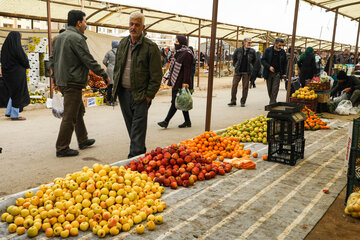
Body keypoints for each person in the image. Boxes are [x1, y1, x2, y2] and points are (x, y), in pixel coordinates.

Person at [49, 10, 110, 157]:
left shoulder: (58, 38)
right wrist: (103, 74)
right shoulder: (77, 38)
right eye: (85, 21)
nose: (86, 25)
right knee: (70, 115)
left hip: (64, 81)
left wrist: (55, 79)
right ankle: (62, 148)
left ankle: (83, 140)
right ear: (78, 23)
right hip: (73, 82)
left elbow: (51, 60)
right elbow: (88, 59)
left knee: (78, 111)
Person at [112, 12, 162, 158]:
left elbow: (156, 75)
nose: (133, 27)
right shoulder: (122, 43)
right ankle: (141, 156)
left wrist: (148, 96)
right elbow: (117, 68)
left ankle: (134, 160)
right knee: (132, 129)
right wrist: (115, 87)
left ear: (143, 27)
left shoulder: (150, 47)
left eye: (137, 25)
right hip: (123, 93)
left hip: (140, 95)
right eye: (131, 24)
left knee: (138, 129)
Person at [157, 35, 195, 129]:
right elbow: (172, 67)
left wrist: (185, 83)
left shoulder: (187, 53)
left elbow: (187, 69)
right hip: (176, 80)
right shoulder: (178, 53)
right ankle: (187, 121)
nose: (175, 43)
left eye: (177, 41)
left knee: (175, 101)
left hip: (182, 82)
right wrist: (166, 77)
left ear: (182, 43)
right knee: (181, 100)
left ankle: (166, 121)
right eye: (175, 41)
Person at [1, 31, 30, 120]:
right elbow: (23, 59)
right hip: (17, 73)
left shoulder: (5, 48)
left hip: (7, 74)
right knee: (18, 92)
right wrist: (27, 65)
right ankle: (15, 114)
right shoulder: (17, 48)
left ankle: (9, 112)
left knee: (13, 92)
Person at [228, 38, 256, 107]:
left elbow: (254, 61)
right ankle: (233, 101)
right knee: (234, 85)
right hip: (238, 71)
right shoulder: (238, 50)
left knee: (245, 87)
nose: (250, 44)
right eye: (248, 42)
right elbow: (234, 58)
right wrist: (236, 65)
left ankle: (243, 102)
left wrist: (251, 67)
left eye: (250, 43)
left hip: (247, 72)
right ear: (244, 43)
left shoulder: (252, 51)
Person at [261, 38, 287, 105]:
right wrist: (269, 67)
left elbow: (285, 63)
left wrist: (284, 73)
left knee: (275, 89)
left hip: (277, 73)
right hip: (268, 73)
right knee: (269, 89)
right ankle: (273, 101)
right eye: (279, 45)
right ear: (275, 44)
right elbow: (263, 60)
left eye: (281, 45)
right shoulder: (268, 50)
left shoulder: (282, 52)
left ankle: (272, 103)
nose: (280, 47)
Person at [103, 40, 119, 105]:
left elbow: (104, 61)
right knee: (115, 86)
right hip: (117, 70)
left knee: (109, 85)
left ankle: (109, 101)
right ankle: (114, 101)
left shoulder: (109, 52)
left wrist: (109, 65)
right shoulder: (121, 52)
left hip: (110, 70)